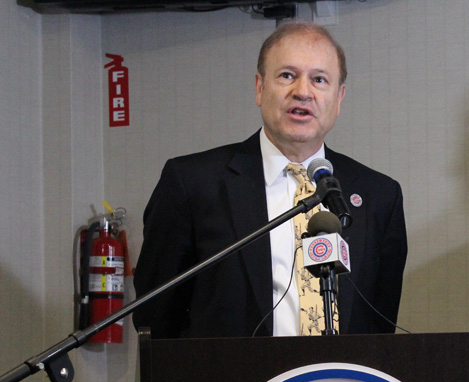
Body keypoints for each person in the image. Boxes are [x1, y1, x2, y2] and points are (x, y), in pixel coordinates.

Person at [133, 22, 407, 338]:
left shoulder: (378, 196)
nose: (303, 92)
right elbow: (155, 316)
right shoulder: (192, 183)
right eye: (287, 75)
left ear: (339, 96)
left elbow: (380, 322)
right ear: (260, 88)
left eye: (319, 79)